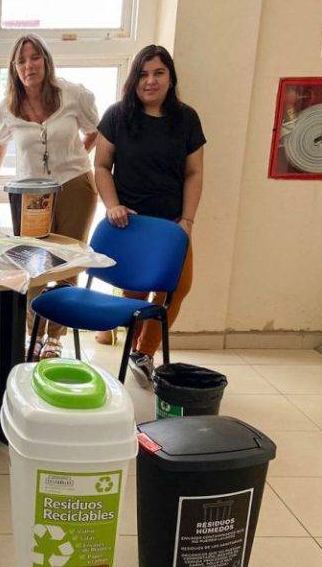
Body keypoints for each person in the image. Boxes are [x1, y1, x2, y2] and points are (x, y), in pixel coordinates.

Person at [93, 44, 205, 388]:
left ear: (171, 78)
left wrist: (187, 221)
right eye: (143, 74)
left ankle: (144, 352)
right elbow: (101, 166)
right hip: (131, 224)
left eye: (158, 73)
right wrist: (112, 205)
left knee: (178, 289)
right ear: (134, 79)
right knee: (136, 294)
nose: (150, 81)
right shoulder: (117, 116)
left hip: (172, 225)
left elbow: (194, 173)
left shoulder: (186, 119)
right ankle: (135, 351)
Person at [0, 33, 100, 359]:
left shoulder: (72, 94)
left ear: (46, 61)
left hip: (75, 186)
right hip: (30, 193)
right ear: (14, 68)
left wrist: (77, 158)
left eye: (34, 57)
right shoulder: (7, 108)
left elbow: (94, 130)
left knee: (67, 263)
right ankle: (33, 334)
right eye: (21, 60)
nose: (28, 65)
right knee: (33, 262)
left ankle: (55, 338)